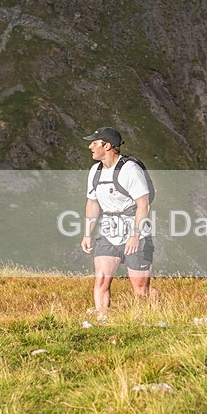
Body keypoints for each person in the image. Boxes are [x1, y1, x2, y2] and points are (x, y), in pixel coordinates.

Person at [80, 127, 154, 322]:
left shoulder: (130, 170)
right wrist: (87, 233)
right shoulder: (95, 171)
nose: (90, 147)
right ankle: (102, 321)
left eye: (95, 143)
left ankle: (146, 319)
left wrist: (136, 235)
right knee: (101, 279)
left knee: (140, 288)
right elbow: (92, 202)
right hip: (108, 230)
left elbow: (143, 204)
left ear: (108, 146)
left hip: (135, 230)